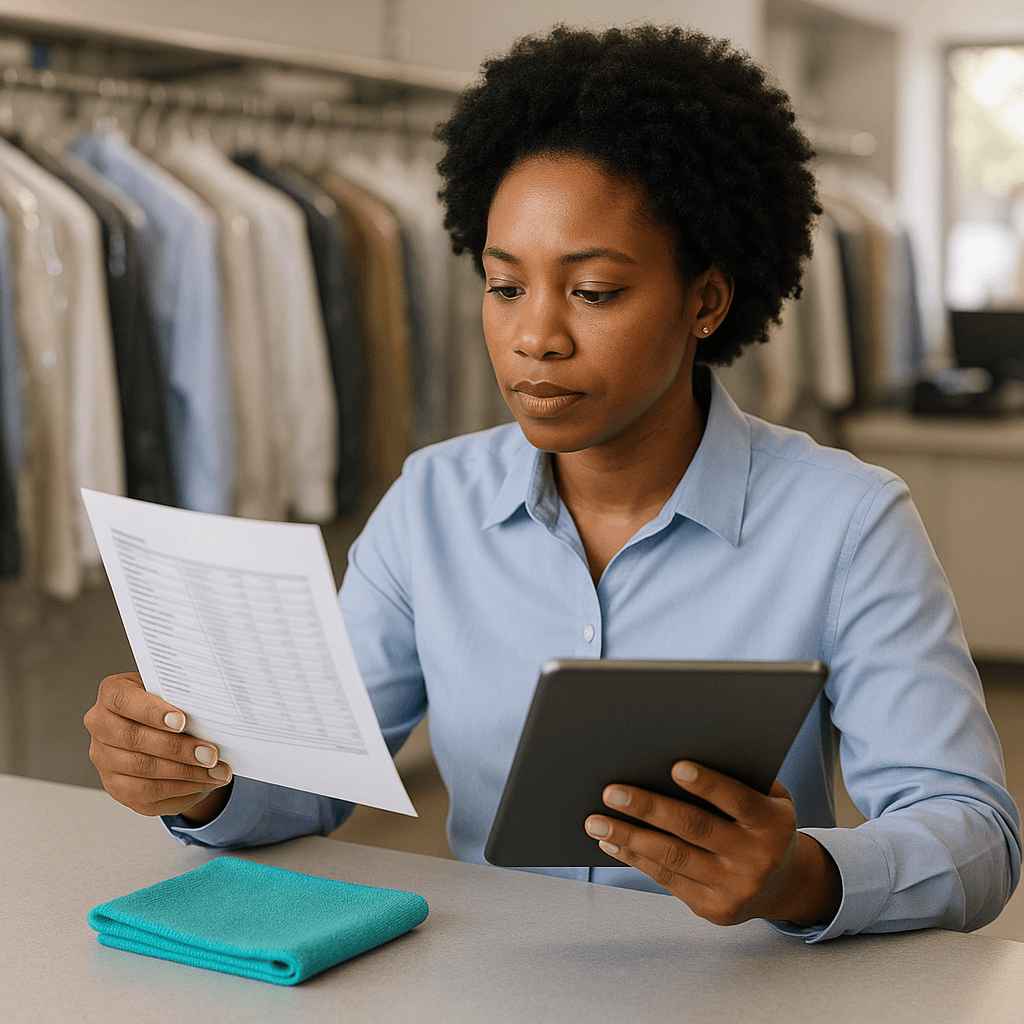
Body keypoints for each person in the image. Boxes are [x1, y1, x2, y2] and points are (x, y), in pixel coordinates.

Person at [83, 22, 1020, 943]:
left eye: (593, 292)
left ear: (705, 300)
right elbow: (317, 775)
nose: (536, 337)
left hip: (743, 993)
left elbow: (975, 834)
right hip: (488, 990)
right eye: (505, 287)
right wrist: (200, 780)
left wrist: (800, 876)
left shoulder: (847, 523)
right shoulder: (431, 504)